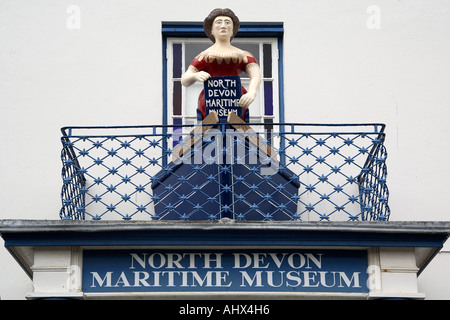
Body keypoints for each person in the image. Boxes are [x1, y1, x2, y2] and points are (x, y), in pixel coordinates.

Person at [181, 8, 262, 121]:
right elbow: (185, 79)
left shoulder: (244, 55)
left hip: (237, 99)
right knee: (209, 131)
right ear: (212, 30)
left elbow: (256, 75)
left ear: (233, 29)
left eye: (227, 22)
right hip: (209, 100)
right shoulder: (204, 56)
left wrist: (252, 92)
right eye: (219, 22)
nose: (223, 26)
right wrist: (194, 76)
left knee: (238, 131)